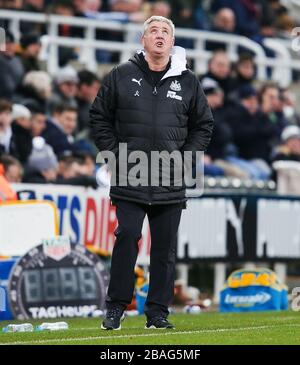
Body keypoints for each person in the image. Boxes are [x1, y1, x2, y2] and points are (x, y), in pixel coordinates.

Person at [89, 16, 213, 330]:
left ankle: (157, 313)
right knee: (127, 237)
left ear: (172, 42)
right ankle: (115, 308)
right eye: (153, 31)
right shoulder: (121, 75)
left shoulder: (187, 80)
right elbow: (98, 117)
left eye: (166, 32)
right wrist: (115, 155)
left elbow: (203, 125)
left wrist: (185, 159)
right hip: (130, 174)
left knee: (164, 249)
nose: (159, 36)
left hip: (171, 179)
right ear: (143, 40)